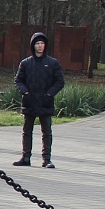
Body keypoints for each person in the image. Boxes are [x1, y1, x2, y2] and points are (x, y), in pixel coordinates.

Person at [14, 31, 65, 168]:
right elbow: (18, 80)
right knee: (26, 131)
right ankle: (25, 157)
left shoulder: (53, 63)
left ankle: (46, 159)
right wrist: (25, 92)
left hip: (45, 102)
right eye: (37, 43)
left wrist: (49, 94)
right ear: (33, 45)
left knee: (46, 132)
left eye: (42, 43)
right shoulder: (25, 63)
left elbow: (59, 81)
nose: (40, 46)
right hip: (29, 101)